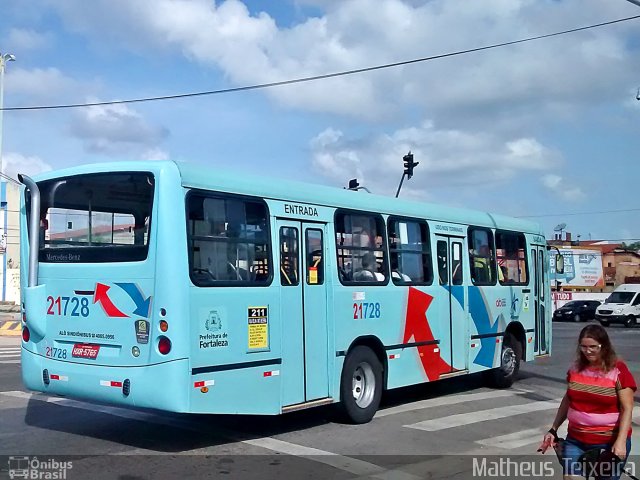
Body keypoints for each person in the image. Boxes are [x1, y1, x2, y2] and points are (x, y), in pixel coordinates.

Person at [538, 324, 636, 480]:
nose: (587, 351)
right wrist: (553, 429)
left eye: (593, 347)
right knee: (570, 477)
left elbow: (627, 408)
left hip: (608, 443)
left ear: (604, 346)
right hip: (575, 440)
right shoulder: (575, 369)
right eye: (583, 347)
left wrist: (621, 441)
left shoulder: (618, 371)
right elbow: (568, 399)